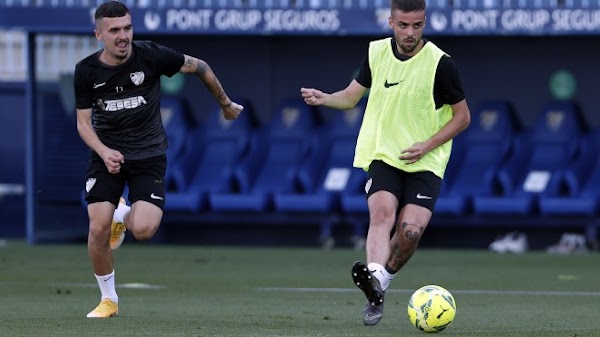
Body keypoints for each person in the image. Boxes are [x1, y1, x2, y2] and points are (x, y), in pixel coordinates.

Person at [301, 0, 471, 326]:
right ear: (391, 21)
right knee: (381, 214)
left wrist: (428, 144)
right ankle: (374, 286)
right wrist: (325, 98)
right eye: (403, 25)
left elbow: (463, 117)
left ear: (424, 23)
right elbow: (351, 96)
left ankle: (380, 280)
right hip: (383, 154)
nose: (410, 32)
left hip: (426, 161)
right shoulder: (375, 52)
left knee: (410, 233)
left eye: (417, 25)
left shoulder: (441, 64)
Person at [74, 1, 244, 318]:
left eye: (127, 28)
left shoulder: (151, 55)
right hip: (106, 157)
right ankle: (108, 300)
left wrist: (225, 103)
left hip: (149, 156)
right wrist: (103, 151)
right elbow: (83, 123)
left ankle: (122, 216)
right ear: (99, 34)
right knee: (97, 229)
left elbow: (201, 67)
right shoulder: (86, 72)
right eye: (114, 30)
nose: (122, 36)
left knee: (144, 229)